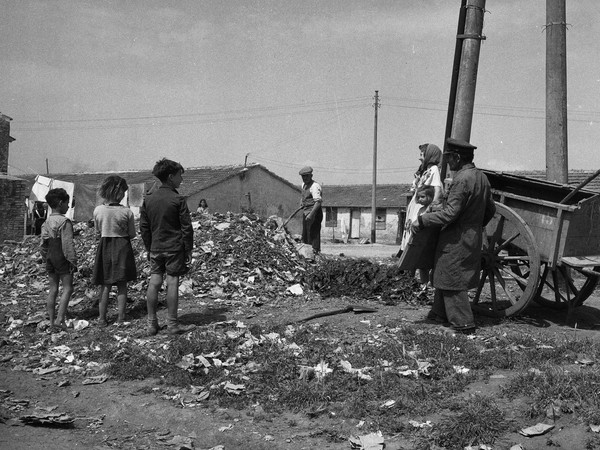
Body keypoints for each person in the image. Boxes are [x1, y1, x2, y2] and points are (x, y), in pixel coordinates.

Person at [411, 138, 496, 333]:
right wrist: (475, 224)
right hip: (471, 236)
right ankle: (439, 313)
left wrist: (423, 220)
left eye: (450, 159)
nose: (448, 163)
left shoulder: (461, 179)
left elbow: (451, 213)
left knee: (452, 275)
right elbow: (491, 208)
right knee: (443, 271)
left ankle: (463, 323)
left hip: (457, 237)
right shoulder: (481, 177)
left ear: (458, 158)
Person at [140, 158, 195, 336]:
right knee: (172, 282)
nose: (182, 179)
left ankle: (151, 324)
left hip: (156, 247)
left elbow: (144, 227)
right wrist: (188, 248)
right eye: (180, 176)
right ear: (171, 177)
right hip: (174, 248)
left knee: (154, 281)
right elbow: (186, 227)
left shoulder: (148, 200)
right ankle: (172, 324)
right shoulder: (178, 199)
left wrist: (149, 248)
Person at [92, 176, 137, 327]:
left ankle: (102, 319)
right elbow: (132, 234)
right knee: (122, 284)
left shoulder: (98, 210)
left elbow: (98, 232)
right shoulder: (127, 212)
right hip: (122, 247)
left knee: (105, 285)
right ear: (119, 193)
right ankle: (121, 317)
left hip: (105, 247)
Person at [40, 188, 77, 332]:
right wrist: (72, 260)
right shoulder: (65, 222)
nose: (68, 206)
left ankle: (51, 321)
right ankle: (60, 319)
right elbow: (68, 244)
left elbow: (43, 244)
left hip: (50, 255)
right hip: (62, 256)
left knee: (53, 289)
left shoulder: (46, 222)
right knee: (68, 287)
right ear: (61, 203)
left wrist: (45, 258)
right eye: (67, 203)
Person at [399, 143, 444, 255]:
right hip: (416, 206)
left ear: (429, 156)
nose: (420, 157)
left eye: (422, 155)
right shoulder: (425, 171)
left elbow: (437, 190)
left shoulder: (434, 170)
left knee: (415, 234)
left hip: (422, 208)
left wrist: (429, 209)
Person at [412, 184, 436, 290]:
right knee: (422, 264)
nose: (420, 199)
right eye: (419, 197)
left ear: (430, 197)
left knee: (433, 264)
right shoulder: (421, 210)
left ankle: (433, 283)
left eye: (423, 197)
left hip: (431, 240)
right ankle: (424, 283)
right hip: (422, 241)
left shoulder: (433, 209)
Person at [299, 166, 323, 255]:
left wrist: (311, 215)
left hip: (315, 213)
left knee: (314, 233)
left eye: (306, 176)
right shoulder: (303, 185)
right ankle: (306, 253)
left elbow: (318, 203)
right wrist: (302, 203)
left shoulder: (315, 186)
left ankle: (315, 252)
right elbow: (303, 196)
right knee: (305, 233)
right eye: (303, 176)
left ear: (311, 176)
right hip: (306, 211)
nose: (305, 178)